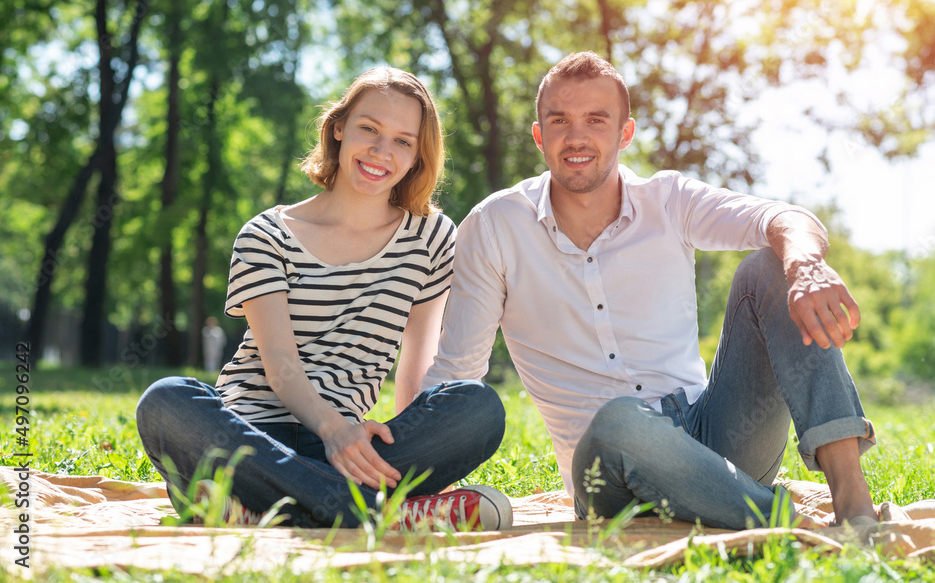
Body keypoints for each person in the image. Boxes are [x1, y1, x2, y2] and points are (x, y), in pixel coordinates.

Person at [420, 51, 878, 530]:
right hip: (607, 471)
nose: (576, 137)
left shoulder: (668, 200)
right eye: (559, 120)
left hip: (716, 442)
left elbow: (783, 218)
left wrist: (804, 264)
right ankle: (786, 522)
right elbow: (457, 373)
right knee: (621, 419)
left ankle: (852, 502)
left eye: (596, 120)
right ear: (540, 136)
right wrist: (417, 479)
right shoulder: (495, 226)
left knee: (771, 264)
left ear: (625, 133)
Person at [136, 67, 511, 530]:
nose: (381, 151)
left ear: (418, 155)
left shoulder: (431, 237)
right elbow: (280, 365)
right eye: (369, 129)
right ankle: (374, 514)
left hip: (354, 449)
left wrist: (409, 446)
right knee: (167, 400)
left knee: (479, 407)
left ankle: (265, 506)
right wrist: (332, 429)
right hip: (250, 436)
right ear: (339, 128)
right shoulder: (267, 235)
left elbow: (416, 366)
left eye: (402, 141)